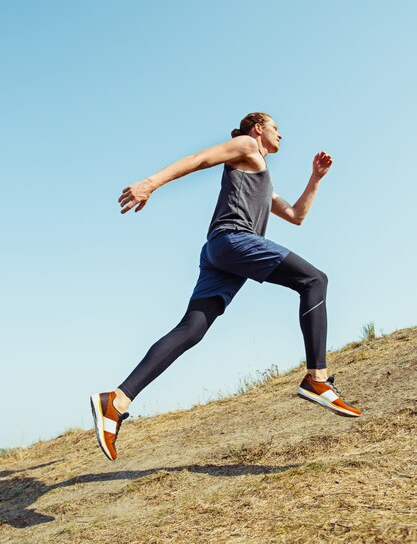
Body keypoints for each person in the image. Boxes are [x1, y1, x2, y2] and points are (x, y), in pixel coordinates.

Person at [90, 112, 362, 461]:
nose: (282, 134)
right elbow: (199, 159)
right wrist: (150, 183)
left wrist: (316, 178)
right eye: (276, 128)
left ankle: (116, 401)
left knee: (192, 329)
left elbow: (296, 215)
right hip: (234, 242)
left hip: (220, 254)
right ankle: (317, 379)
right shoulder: (246, 146)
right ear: (258, 128)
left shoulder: (262, 177)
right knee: (314, 280)